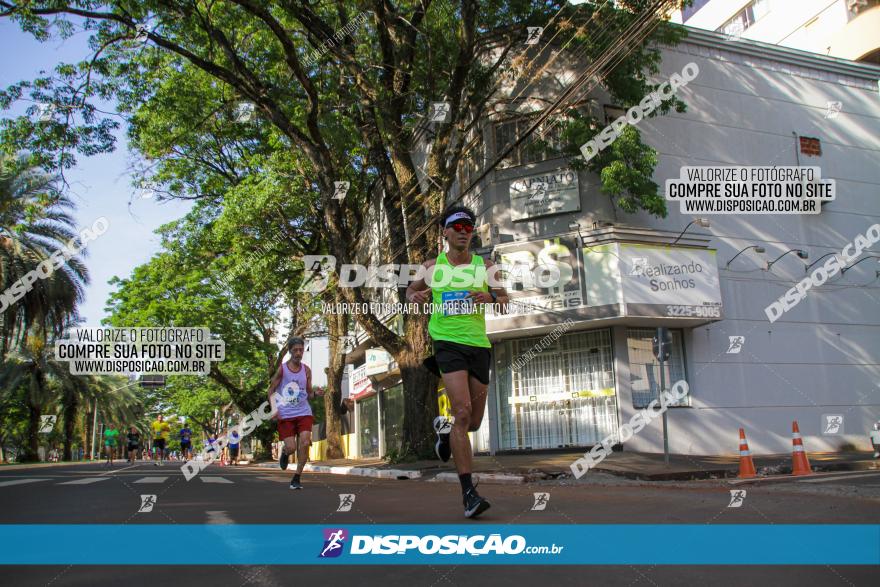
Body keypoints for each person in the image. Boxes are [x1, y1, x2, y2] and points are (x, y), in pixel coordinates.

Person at [405, 205, 508, 519]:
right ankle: (468, 494)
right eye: (458, 227)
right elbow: (410, 289)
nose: (464, 232)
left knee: (472, 423)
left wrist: (493, 298)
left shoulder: (486, 265)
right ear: (445, 233)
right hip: (447, 344)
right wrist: (414, 296)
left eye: (469, 227)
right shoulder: (431, 266)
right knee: (462, 411)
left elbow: (505, 298)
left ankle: (445, 429)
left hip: (478, 346)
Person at [268, 337, 324, 489]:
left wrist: (316, 394)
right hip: (285, 414)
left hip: (303, 411)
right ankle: (286, 453)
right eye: (295, 350)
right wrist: (274, 410)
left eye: (301, 350)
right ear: (290, 351)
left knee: (305, 442)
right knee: (292, 447)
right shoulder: (282, 369)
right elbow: (271, 390)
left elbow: (308, 394)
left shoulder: (306, 370)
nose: (298, 353)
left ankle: (297, 477)